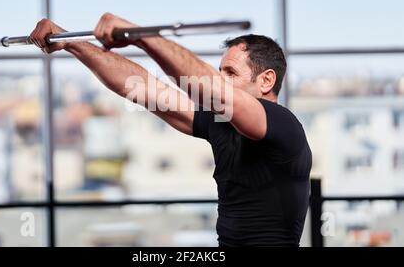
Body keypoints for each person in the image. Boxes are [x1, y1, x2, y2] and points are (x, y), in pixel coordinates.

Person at [30, 13, 312, 247]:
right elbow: (140, 87)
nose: (222, 80)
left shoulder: (283, 126)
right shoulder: (221, 121)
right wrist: (71, 42)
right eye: (220, 72)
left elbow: (211, 90)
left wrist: (140, 35)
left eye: (231, 73)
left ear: (266, 81)